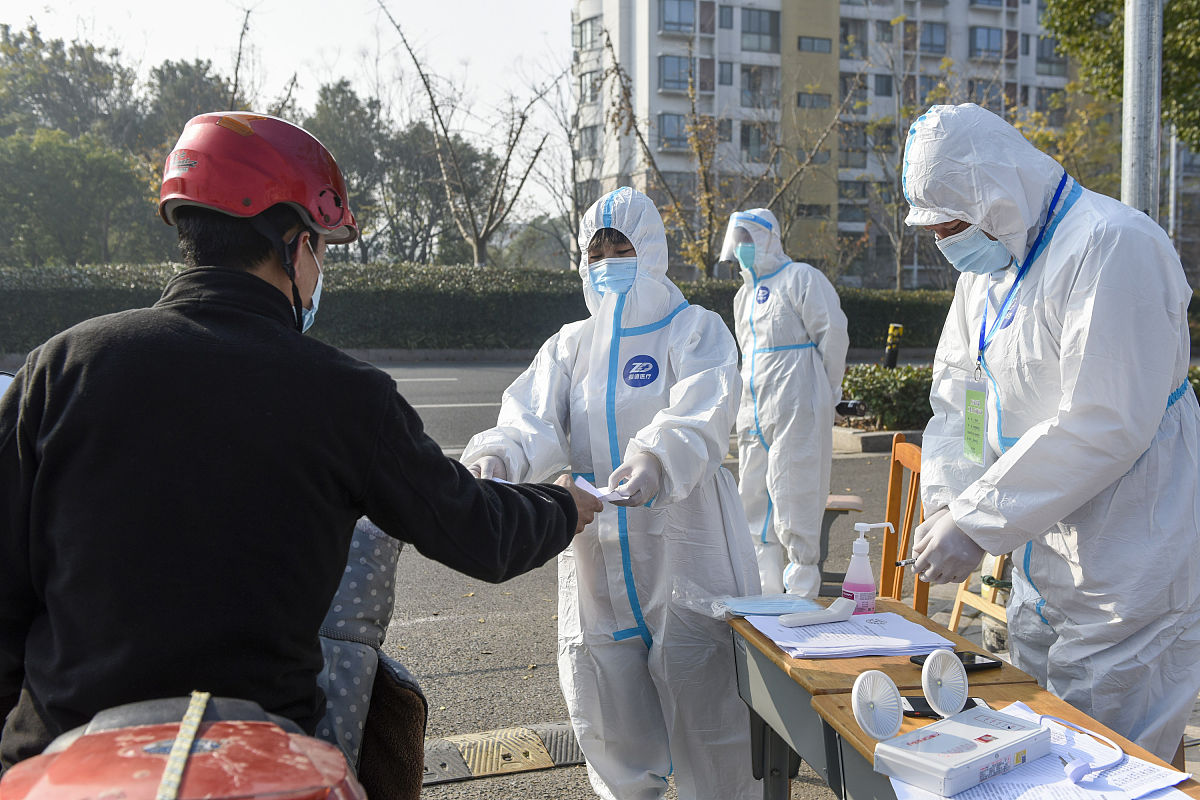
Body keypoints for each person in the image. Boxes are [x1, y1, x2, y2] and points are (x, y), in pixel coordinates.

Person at [0, 112, 601, 773]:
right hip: (258, 762)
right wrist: (561, 504)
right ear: (293, 244)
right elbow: (478, 532)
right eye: (320, 249)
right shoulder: (347, 396)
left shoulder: (59, 368)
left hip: (59, 759)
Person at [905, 103, 1200, 762]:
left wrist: (979, 521)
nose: (946, 242)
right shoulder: (990, 272)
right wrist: (952, 501)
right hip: (1044, 548)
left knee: (1117, 757)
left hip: (1130, 549)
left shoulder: (1112, 243)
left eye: (953, 224)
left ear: (996, 191)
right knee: (1047, 738)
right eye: (936, 229)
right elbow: (962, 397)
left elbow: (1106, 418)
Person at [462, 186, 760, 800]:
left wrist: (656, 457)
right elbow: (531, 418)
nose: (607, 263)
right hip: (597, 551)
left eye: (621, 249)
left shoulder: (693, 329)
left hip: (684, 543)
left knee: (710, 706)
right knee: (607, 707)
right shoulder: (570, 344)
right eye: (595, 252)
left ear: (650, 250)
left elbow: (704, 407)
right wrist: (500, 455)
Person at [718, 208, 848, 596]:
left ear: (769, 238)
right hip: (754, 410)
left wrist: (828, 392)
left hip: (798, 403)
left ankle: (801, 593)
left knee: (796, 494)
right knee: (753, 499)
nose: (741, 246)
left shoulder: (801, 278)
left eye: (748, 238)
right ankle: (764, 593)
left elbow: (832, 334)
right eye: (737, 239)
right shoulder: (743, 296)